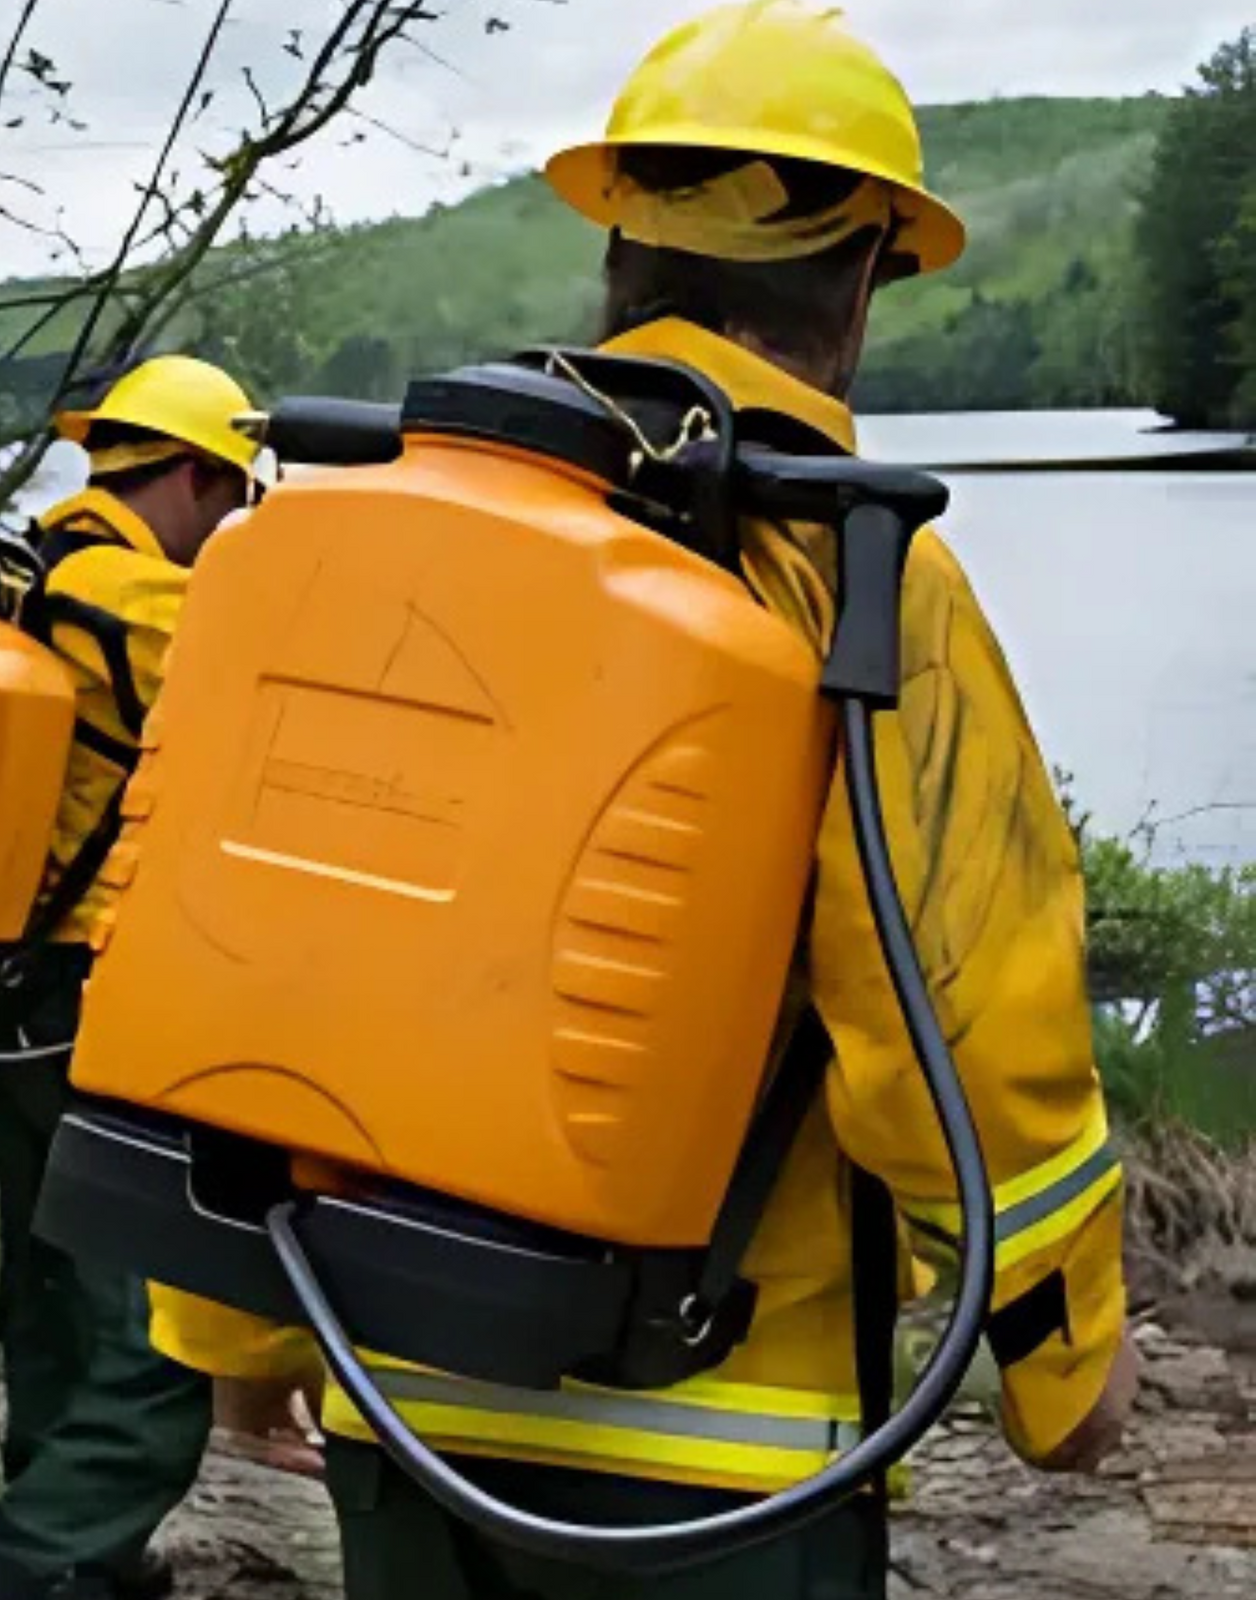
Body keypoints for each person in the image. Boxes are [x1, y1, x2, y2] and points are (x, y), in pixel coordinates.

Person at [154, 6, 1139, 1598]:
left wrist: (237, 1333)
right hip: (722, 1458)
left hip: (391, 1388)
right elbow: (954, 1011)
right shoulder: (860, 580)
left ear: (618, 244)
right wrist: (1061, 1357)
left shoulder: (387, 534)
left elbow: (261, 959)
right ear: (871, 269)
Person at [0, 356, 318, 1600]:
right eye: (236, 498)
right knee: (154, 1343)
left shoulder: (28, 565)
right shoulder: (137, 598)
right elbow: (297, 718)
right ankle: (29, 1572)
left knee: (53, 1285)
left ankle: (80, 1551)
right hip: (75, 1002)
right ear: (201, 474)